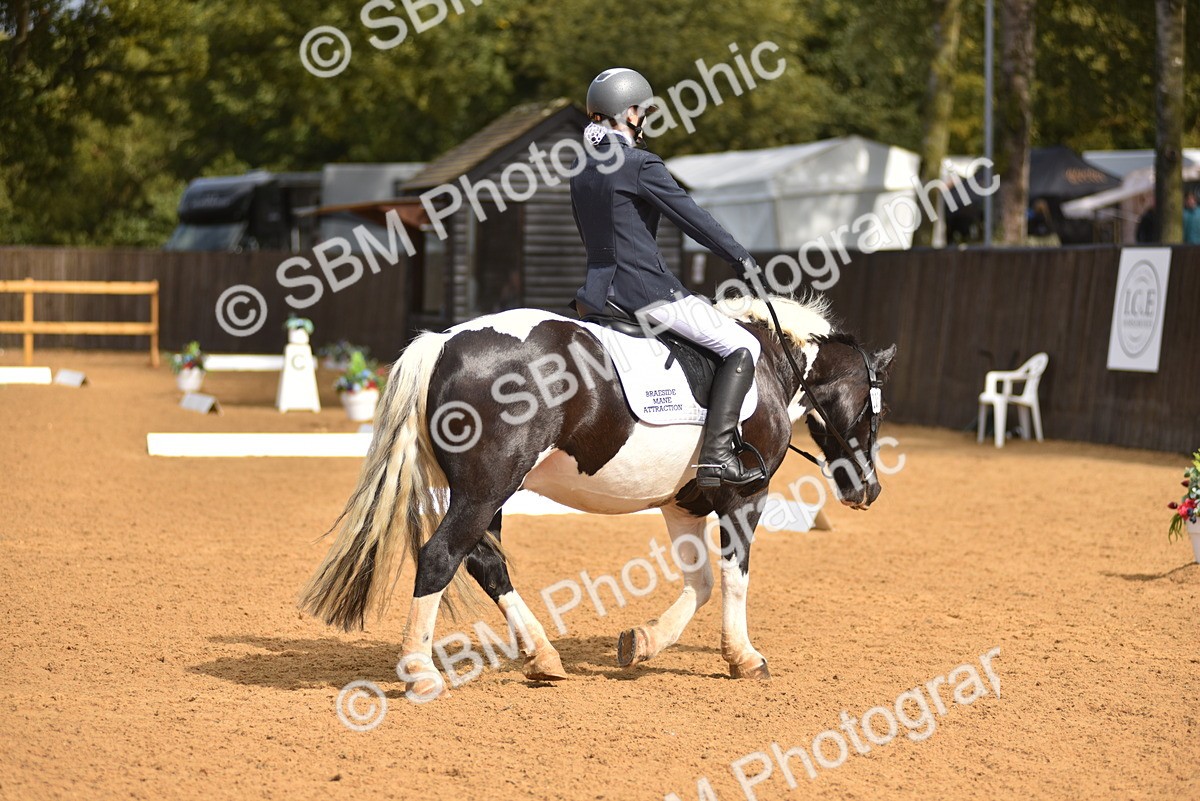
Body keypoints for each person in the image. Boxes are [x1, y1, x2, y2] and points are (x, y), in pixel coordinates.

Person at [570, 67, 764, 492]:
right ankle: (717, 457)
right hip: (647, 294)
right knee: (744, 343)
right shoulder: (639, 164)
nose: (643, 120)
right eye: (641, 111)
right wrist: (741, 259)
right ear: (627, 113)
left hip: (598, 296)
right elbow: (694, 219)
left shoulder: (581, 169)